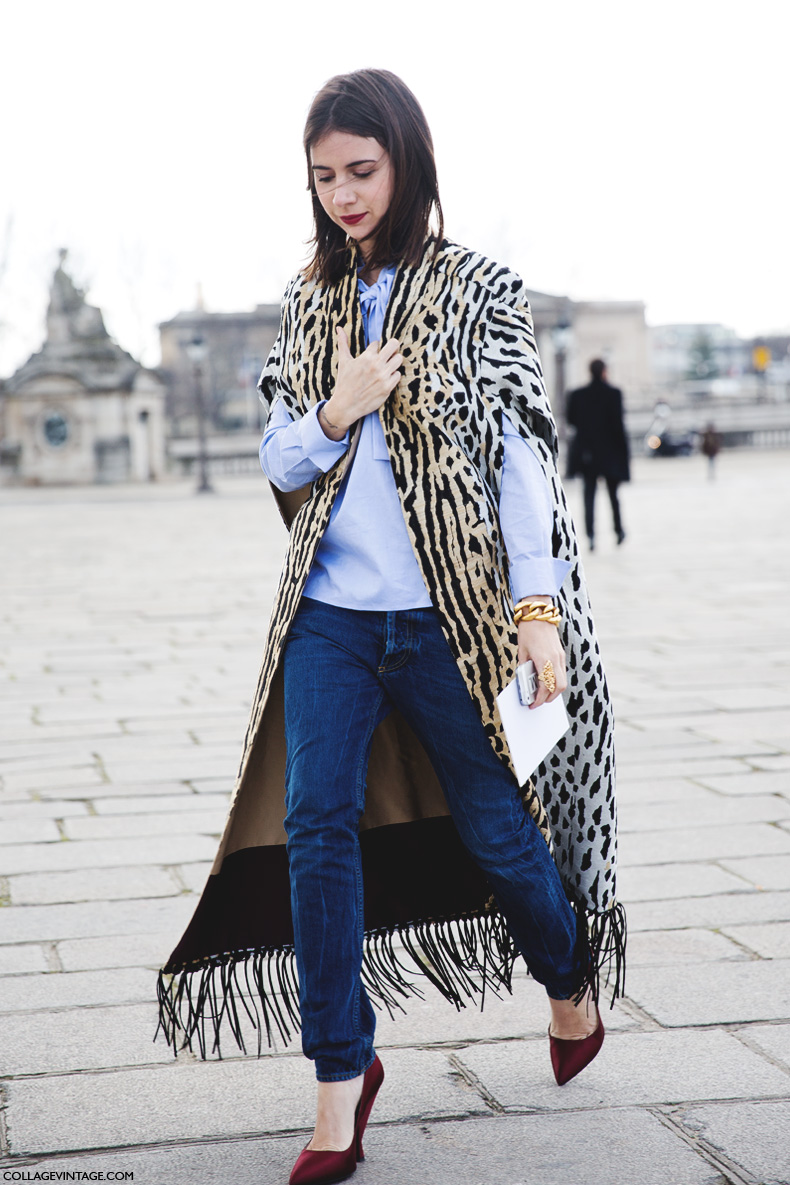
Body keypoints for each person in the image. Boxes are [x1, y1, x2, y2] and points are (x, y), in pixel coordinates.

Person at [157, 70, 624, 1185]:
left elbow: (520, 464)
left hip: (452, 620)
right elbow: (279, 457)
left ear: (406, 161)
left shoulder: (477, 290)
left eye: (360, 172)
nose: (342, 196)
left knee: (497, 829)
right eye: (322, 178)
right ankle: (338, 1084)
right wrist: (337, 406)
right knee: (317, 827)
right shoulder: (308, 300)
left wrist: (537, 613)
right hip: (326, 614)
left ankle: (567, 980)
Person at [566, 359, 630, 549]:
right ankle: (618, 531)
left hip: (588, 454)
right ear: (604, 372)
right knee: (613, 496)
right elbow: (619, 426)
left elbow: (571, 421)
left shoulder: (578, 395)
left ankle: (591, 536)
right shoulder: (614, 394)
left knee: (589, 496)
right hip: (609, 453)